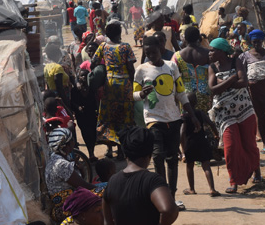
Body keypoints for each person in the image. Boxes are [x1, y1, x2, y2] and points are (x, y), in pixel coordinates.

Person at [134, 36, 201, 204]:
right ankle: (162, 193)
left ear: (160, 49)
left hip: (173, 118)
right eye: (147, 52)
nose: (150, 55)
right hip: (153, 119)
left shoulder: (171, 67)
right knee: (157, 156)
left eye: (154, 52)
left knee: (172, 158)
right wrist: (141, 94)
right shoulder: (141, 70)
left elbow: (180, 93)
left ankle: (171, 195)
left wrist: (192, 115)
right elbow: (134, 94)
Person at [208, 38, 262, 193]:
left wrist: (223, 82)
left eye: (213, 50)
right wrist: (232, 79)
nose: (210, 53)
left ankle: (256, 171)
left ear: (222, 51)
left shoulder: (235, 61)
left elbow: (244, 82)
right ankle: (234, 181)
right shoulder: (212, 67)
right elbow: (213, 89)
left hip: (244, 110)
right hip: (225, 114)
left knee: (249, 145)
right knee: (231, 148)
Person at [103, 127, 179, 225]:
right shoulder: (152, 180)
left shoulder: (112, 181)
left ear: (126, 154)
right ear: (150, 155)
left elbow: (107, 220)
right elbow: (169, 211)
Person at [94, 22, 137, 159]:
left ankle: (109, 149)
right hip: (124, 85)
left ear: (107, 34)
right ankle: (121, 150)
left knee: (109, 117)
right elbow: (130, 68)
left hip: (110, 85)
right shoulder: (125, 47)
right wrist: (134, 83)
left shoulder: (103, 46)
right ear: (119, 33)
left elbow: (94, 61)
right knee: (124, 117)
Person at [238, 29, 265, 154]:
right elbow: (243, 75)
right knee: (260, 118)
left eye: (259, 42)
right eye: (254, 42)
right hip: (254, 91)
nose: (256, 44)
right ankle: (264, 142)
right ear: (251, 42)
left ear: (263, 41)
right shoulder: (245, 56)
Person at [45, 128, 96, 223]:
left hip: (67, 202)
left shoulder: (57, 158)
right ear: (67, 145)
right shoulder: (61, 164)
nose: (74, 142)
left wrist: (81, 169)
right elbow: (84, 185)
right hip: (66, 207)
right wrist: (103, 189)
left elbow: (81, 181)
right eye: (72, 140)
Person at [180, 92, 221, 197]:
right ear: (196, 102)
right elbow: (211, 123)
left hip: (190, 144)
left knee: (190, 166)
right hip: (202, 142)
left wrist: (183, 149)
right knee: (206, 166)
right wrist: (216, 135)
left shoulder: (184, 116)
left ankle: (192, 189)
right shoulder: (200, 113)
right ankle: (212, 189)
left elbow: (182, 133)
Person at [174, 26, 213, 112]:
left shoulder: (177, 56)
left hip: (186, 95)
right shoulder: (208, 53)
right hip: (206, 93)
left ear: (185, 39)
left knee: (189, 121)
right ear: (199, 38)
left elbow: (172, 76)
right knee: (207, 121)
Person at [71, 65, 99, 162]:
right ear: (78, 78)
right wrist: (77, 107)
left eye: (85, 76)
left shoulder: (91, 88)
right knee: (86, 134)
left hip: (91, 114)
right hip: (81, 116)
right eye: (81, 76)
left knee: (93, 133)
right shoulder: (75, 90)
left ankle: (92, 151)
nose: (83, 78)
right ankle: (91, 153)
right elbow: (72, 102)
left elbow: (95, 100)